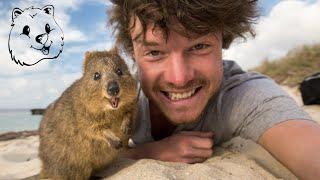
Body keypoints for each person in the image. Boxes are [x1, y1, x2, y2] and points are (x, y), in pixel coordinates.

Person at [108, 0, 320, 179]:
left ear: (223, 40)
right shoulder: (117, 97)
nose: (179, 78)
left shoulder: (242, 95)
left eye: (199, 46)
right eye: (154, 52)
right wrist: (149, 152)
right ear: (133, 55)